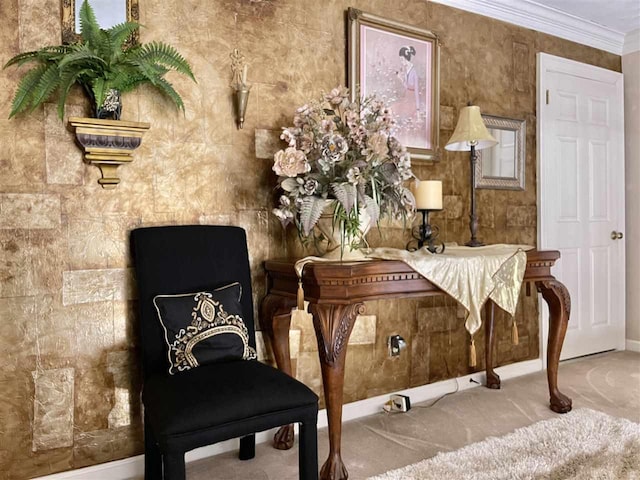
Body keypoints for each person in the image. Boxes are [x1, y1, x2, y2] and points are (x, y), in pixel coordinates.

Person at [397, 46, 420, 116]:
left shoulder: (413, 72)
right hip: (407, 98)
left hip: (411, 100)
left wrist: (418, 108)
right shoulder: (406, 69)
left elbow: (415, 90)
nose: (401, 62)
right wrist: (401, 78)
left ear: (405, 58)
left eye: (402, 59)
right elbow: (407, 87)